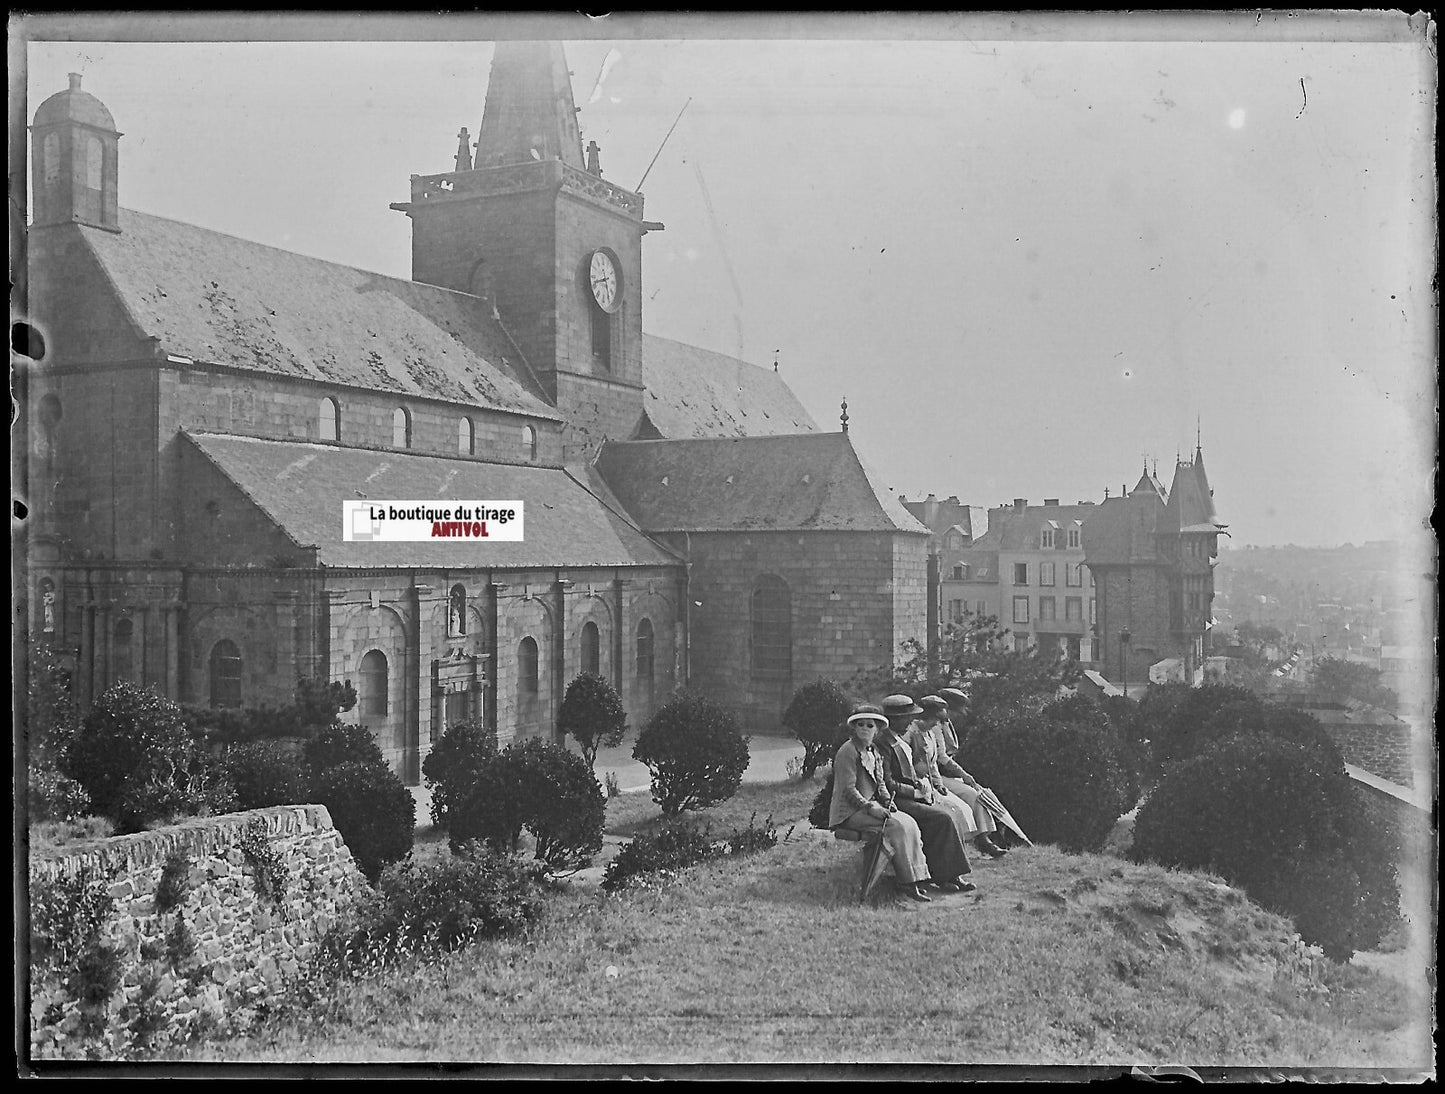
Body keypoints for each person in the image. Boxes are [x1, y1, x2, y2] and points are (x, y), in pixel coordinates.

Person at [828, 704, 934, 903]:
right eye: (860, 725)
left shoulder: (874, 751)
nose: (865, 729)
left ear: (877, 729)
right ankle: (906, 882)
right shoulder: (847, 752)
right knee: (897, 825)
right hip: (850, 812)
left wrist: (886, 801)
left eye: (870, 725)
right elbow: (849, 789)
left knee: (909, 822)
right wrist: (871, 807)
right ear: (854, 727)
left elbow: (881, 782)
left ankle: (917, 878)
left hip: (872, 807)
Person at [877, 695, 978, 893]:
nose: (910, 721)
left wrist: (920, 785)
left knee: (949, 815)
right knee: (941, 818)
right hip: (895, 800)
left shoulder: (897, 739)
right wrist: (915, 792)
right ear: (894, 719)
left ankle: (948, 875)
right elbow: (887, 783)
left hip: (909, 794)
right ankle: (946, 876)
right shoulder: (884, 743)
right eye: (906, 718)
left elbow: (911, 770)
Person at [915, 695, 1009, 859]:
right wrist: (962, 774)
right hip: (936, 776)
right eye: (959, 710)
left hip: (938, 776)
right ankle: (976, 841)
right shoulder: (931, 729)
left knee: (976, 794)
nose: (962, 714)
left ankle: (983, 839)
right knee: (968, 796)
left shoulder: (942, 725)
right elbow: (941, 758)